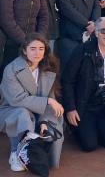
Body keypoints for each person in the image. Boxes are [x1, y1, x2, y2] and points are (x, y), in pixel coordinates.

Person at [62, 17, 105, 152]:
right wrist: (71, 108)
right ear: (96, 33)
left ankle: (96, 128)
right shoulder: (83, 51)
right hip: (85, 106)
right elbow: (67, 80)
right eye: (103, 31)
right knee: (89, 145)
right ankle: (79, 129)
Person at [0, 33, 64, 171]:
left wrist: (44, 121)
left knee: (54, 114)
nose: (37, 52)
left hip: (38, 111)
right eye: (33, 48)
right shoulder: (11, 69)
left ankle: (36, 149)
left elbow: (50, 99)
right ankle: (15, 153)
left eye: (41, 48)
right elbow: (17, 99)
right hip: (11, 110)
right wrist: (47, 101)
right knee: (22, 113)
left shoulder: (47, 68)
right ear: (24, 50)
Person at [0, 0, 48, 75]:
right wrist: (26, 42)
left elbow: (44, 15)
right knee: (9, 77)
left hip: (32, 45)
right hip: (10, 44)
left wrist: (38, 39)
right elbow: (6, 20)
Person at [55, 0, 100, 68]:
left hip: (90, 33)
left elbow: (96, 5)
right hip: (70, 34)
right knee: (70, 68)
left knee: (87, 68)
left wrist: (94, 22)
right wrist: (87, 24)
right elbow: (67, 9)